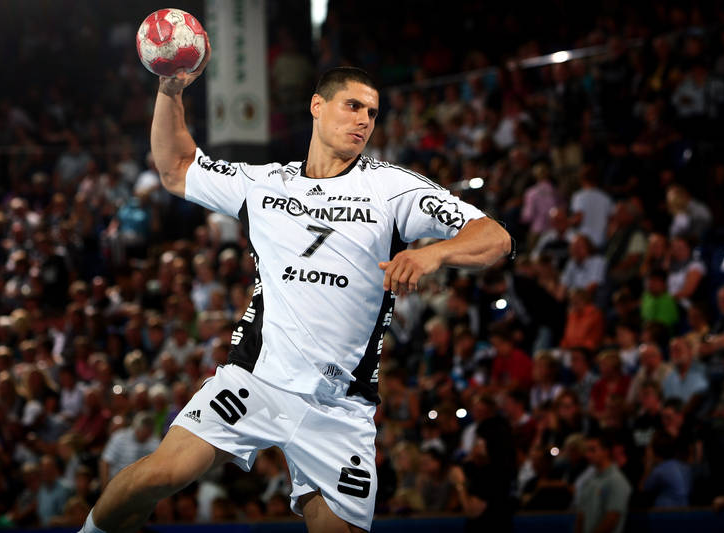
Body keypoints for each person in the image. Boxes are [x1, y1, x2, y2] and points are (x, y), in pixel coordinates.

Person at [78, 52, 511, 533]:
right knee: (160, 475)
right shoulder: (264, 184)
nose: (364, 121)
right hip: (256, 380)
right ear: (317, 106)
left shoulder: (392, 189)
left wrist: (435, 255)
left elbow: (495, 237)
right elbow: (177, 167)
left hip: (339, 406)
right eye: (352, 106)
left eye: (372, 113)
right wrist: (170, 89)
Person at [574, 432, 632, 533]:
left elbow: (612, 518)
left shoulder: (617, 481)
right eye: (587, 450)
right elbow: (581, 515)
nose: (588, 455)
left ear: (606, 451)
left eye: (592, 450)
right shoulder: (588, 480)